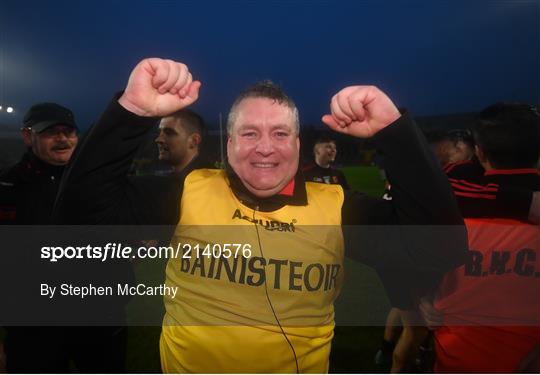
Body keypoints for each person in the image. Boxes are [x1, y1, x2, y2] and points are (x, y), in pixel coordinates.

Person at [56, 58, 466, 373]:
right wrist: (130, 111)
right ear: (230, 144)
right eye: (250, 133)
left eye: (280, 133)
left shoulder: (337, 205)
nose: (265, 148)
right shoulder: (189, 191)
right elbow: (80, 213)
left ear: (298, 143)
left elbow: (439, 249)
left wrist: (395, 131)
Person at [420, 103, 540, 372]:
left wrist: (424, 299)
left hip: (456, 360)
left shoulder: (451, 215)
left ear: (479, 153)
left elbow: (421, 277)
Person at [0, 103, 78, 224]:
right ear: (28, 136)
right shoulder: (7, 184)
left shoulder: (93, 177)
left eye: (68, 131)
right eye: (51, 131)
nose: (62, 138)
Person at [155, 109, 205, 174]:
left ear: (194, 141)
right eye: (159, 133)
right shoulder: (171, 180)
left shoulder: (207, 181)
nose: (158, 139)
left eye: (169, 133)